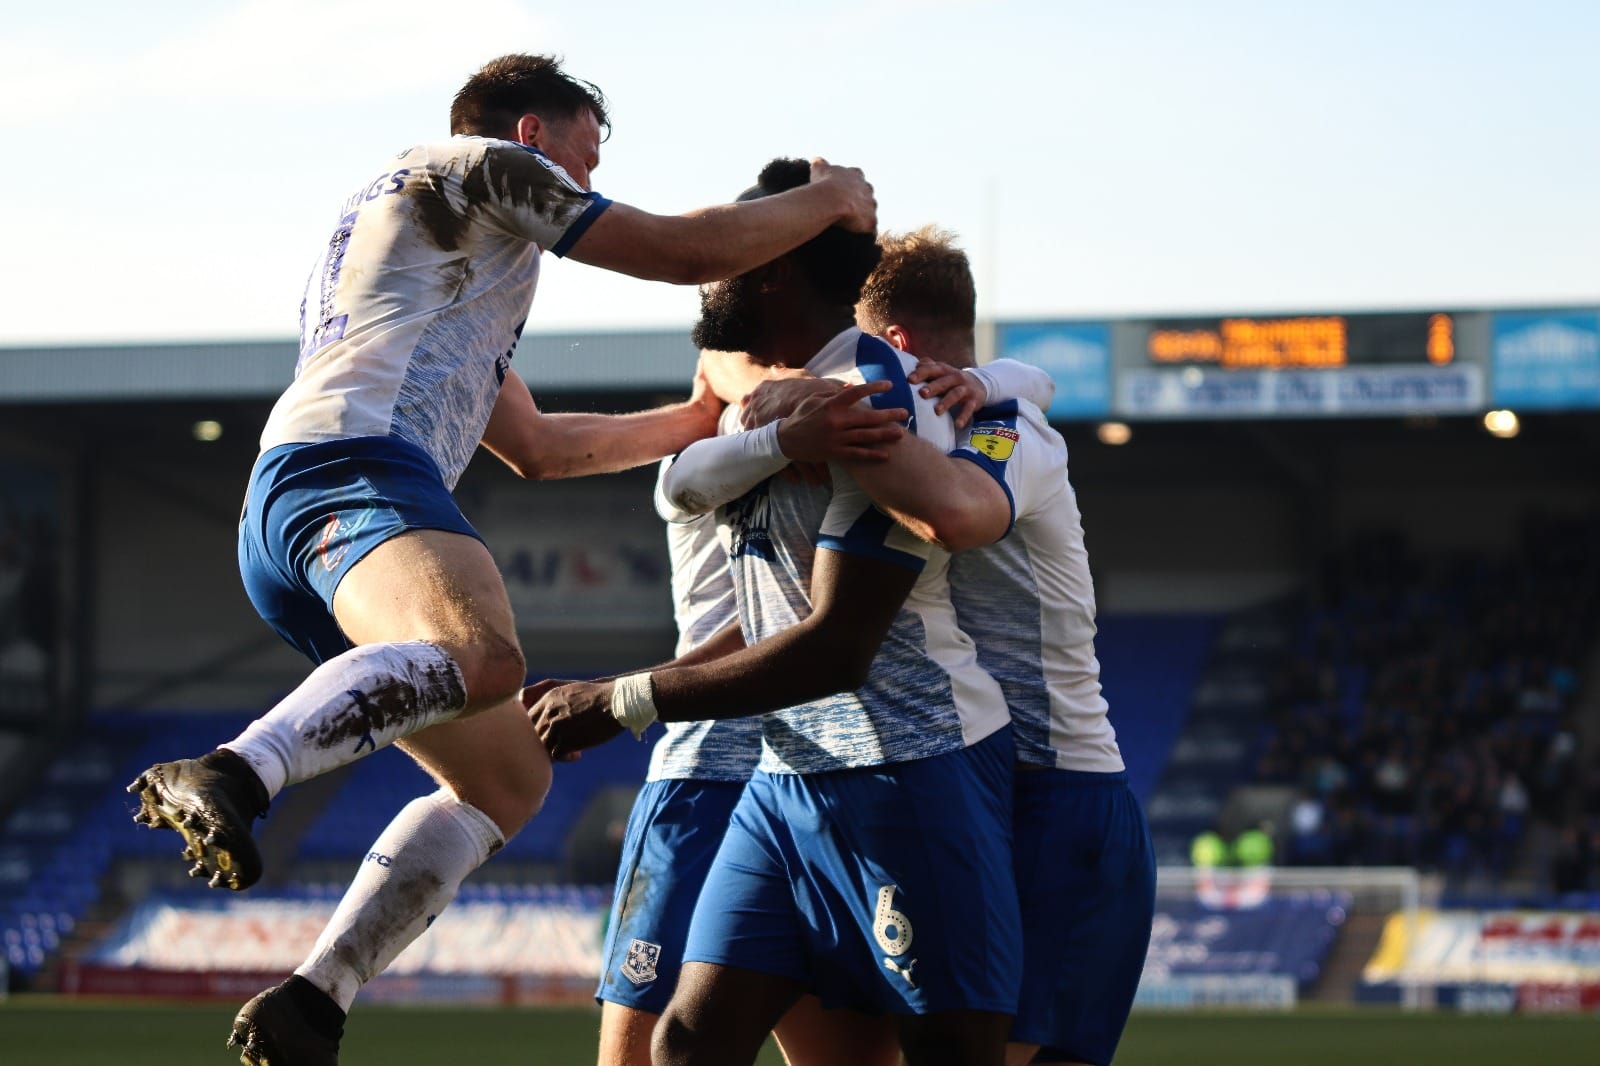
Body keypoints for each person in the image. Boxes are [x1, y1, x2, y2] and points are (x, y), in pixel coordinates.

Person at [123, 54, 878, 1066]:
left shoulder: (438, 255)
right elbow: (673, 250)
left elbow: (538, 448)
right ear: (532, 135)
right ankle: (233, 772)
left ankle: (315, 997)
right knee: (485, 654)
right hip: (355, 467)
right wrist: (829, 199)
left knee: (508, 779)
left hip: (305, 507)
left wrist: (699, 419)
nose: (587, 180)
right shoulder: (481, 166)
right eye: (585, 155)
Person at [529, 159, 1024, 1066]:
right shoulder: (777, 397)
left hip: (905, 767)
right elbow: (729, 558)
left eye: (722, 258)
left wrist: (622, 701)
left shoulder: (873, 406)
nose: (703, 275)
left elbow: (837, 648)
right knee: (686, 1041)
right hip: (786, 775)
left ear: (771, 272)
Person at [850, 227, 1156, 1066]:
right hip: (984, 789)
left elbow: (961, 509)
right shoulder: (958, 420)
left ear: (893, 343)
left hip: (1061, 797)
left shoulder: (1007, 427)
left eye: (860, 350)